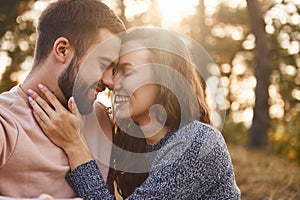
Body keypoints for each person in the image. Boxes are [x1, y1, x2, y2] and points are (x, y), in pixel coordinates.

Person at [28, 27, 241, 199]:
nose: (111, 83)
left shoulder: (197, 141)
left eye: (126, 71)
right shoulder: (136, 147)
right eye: (114, 71)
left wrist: (74, 145)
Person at [0, 0, 125, 198]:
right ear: (62, 50)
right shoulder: (6, 121)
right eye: (103, 63)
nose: (110, 82)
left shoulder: (101, 119)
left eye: (115, 69)